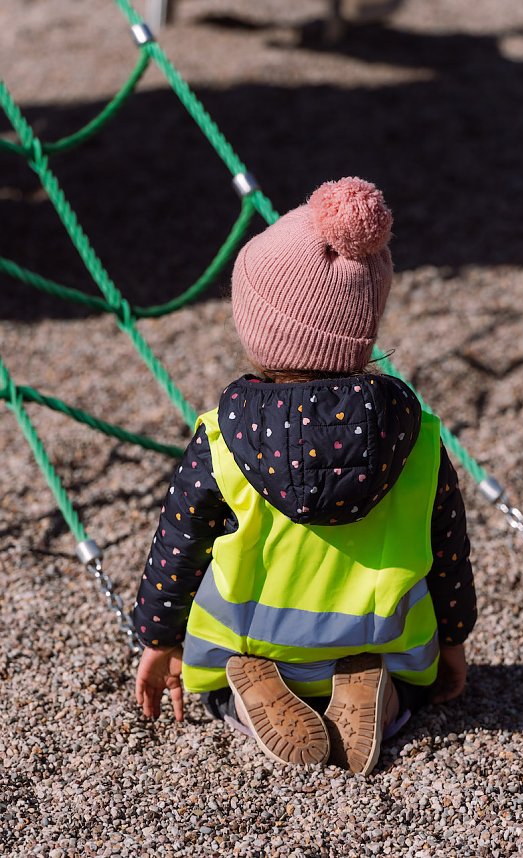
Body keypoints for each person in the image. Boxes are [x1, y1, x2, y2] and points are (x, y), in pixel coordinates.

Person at [133, 177, 476, 775]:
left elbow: (178, 547)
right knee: (409, 687)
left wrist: (158, 641)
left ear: (259, 329)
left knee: (217, 684)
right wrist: (453, 643)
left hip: (250, 635)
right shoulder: (417, 436)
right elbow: (447, 550)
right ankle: (383, 695)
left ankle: (248, 696)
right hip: (384, 639)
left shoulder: (222, 436)